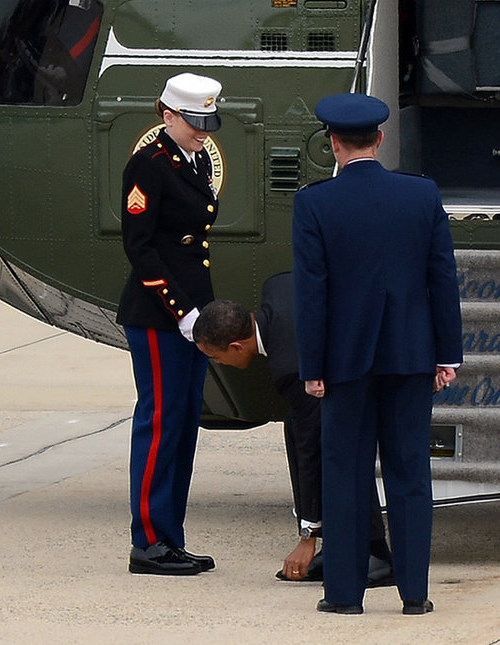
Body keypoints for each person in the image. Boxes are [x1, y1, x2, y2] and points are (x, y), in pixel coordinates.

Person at [292, 93, 463, 615]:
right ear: (381, 140)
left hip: (345, 362)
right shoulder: (421, 195)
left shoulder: (315, 202)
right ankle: (415, 594)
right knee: (411, 474)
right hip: (411, 356)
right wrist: (447, 355)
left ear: (333, 144)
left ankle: (344, 595)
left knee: (345, 474)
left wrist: (313, 367)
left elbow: (312, 292)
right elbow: (442, 279)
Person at [191, 273, 395, 586]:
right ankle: (339, 545)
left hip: (389, 359)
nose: (217, 363)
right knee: (297, 426)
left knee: (338, 445)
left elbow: (311, 449)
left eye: (215, 357)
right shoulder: (276, 287)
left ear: (234, 346)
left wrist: (306, 535)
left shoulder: (290, 365)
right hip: (361, 344)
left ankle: (376, 554)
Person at [116, 72, 223, 576]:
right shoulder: (149, 165)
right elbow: (140, 247)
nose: (204, 132)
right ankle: (149, 543)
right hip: (160, 317)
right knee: (160, 424)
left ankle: (170, 537)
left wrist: (200, 315)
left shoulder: (194, 157)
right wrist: (182, 313)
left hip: (192, 316)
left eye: (208, 122)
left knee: (182, 426)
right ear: (168, 115)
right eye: (195, 123)